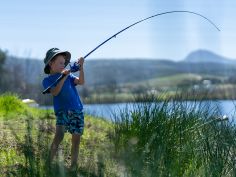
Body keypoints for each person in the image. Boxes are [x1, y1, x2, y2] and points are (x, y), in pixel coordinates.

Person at [42, 48, 85, 170]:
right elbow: (55, 92)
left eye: (64, 63)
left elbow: (81, 82)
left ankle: (74, 165)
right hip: (62, 111)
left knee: (76, 139)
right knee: (59, 135)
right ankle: (48, 163)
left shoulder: (69, 76)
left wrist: (81, 67)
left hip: (77, 110)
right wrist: (63, 77)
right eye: (60, 63)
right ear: (51, 63)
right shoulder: (47, 80)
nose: (63, 65)